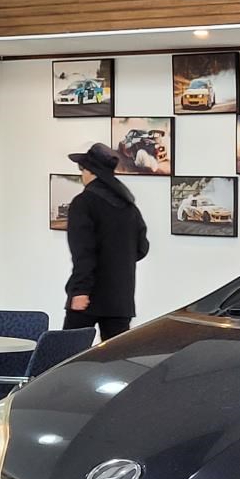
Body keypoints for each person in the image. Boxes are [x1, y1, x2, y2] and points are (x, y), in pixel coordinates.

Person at [63, 143, 149, 341]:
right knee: (116, 361)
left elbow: (83, 252)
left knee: (66, 357)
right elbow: (141, 248)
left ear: (91, 172)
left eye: (82, 169)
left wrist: (81, 290)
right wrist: (118, 261)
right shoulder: (128, 206)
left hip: (88, 296)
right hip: (120, 297)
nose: (81, 175)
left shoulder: (83, 203)